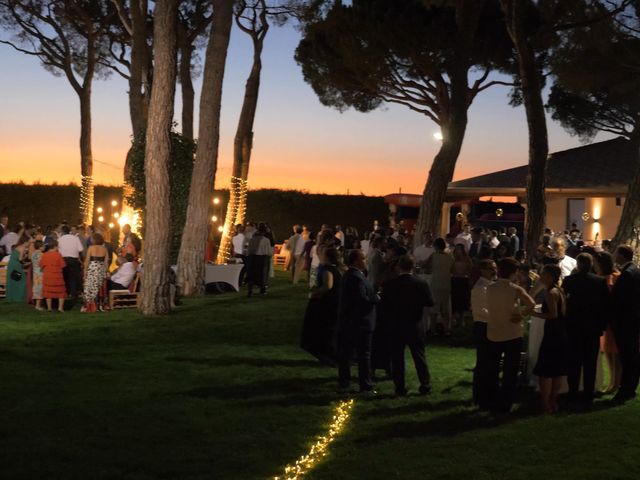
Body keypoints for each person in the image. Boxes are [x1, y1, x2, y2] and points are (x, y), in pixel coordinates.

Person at [486, 258, 536, 413]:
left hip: (494, 331)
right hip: (512, 333)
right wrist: (520, 314)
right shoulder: (515, 289)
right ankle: (506, 402)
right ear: (514, 273)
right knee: (510, 369)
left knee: (493, 368)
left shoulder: (490, 288)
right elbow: (532, 304)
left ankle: (492, 399)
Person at [382, 255, 434, 396]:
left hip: (396, 324)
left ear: (399, 267)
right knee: (419, 356)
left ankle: (400, 388)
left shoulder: (390, 284)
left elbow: (384, 305)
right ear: (412, 267)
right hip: (414, 323)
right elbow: (430, 301)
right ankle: (425, 384)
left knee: (397, 358)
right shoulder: (420, 283)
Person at [562, 253, 610, 405]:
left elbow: (563, 303)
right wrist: (601, 326)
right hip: (592, 328)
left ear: (578, 264)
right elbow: (605, 306)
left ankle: (573, 391)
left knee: (574, 362)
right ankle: (588, 392)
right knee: (590, 363)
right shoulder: (599, 281)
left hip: (574, 327)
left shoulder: (569, 281)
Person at [337, 249, 379, 393]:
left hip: (351, 321)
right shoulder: (355, 277)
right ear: (355, 261)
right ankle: (364, 383)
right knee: (363, 354)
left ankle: (345, 380)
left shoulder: (351, 275)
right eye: (363, 258)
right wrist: (375, 299)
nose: (365, 261)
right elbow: (361, 300)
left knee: (347, 353)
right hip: (360, 322)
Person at [532, 265, 569, 413]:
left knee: (545, 370)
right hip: (561, 333)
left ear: (550, 276)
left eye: (543, 275)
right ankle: (553, 400)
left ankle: (545, 402)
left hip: (552, 334)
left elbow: (552, 315)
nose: (540, 277)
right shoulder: (559, 290)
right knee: (557, 370)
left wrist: (533, 313)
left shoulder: (550, 293)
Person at [301, 247, 343, 364]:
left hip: (327, 304)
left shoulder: (327, 270)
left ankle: (327, 356)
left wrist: (314, 294)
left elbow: (328, 285)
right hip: (335, 303)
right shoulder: (338, 269)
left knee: (323, 330)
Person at [610, 245, 640, 403]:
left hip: (626, 322)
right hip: (633, 320)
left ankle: (626, 389)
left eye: (616, 252)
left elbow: (618, 300)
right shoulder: (635, 270)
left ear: (621, 255)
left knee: (628, 357)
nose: (614, 255)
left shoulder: (627, 274)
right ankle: (630, 387)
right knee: (632, 356)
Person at [471, 259, 496, 409]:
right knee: (482, 362)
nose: (494, 271)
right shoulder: (480, 288)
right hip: (482, 326)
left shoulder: (490, 285)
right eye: (490, 268)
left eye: (494, 267)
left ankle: (487, 392)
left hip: (490, 325)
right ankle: (479, 395)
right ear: (483, 270)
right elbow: (481, 311)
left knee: (489, 362)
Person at [595, 251, 621, 394]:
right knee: (608, 352)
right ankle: (612, 381)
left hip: (613, 319)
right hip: (605, 319)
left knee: (615, 352)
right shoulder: (600, 277)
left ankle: (615, 383)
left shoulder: (614, 277)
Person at [425, 238, 454, 335]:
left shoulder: (434, 256)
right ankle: (447, 330)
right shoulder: (450, 256)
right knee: (444, 308)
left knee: (434, 308)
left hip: (436, 283)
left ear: (436, 246)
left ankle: (433, 330)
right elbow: (452, 269)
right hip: (446, 283)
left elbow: (425, 265)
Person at [82, 233, 110, 312]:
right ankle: (101, 305)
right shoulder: (105, 249)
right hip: (101, 269)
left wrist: (85, 271)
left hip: (92, 269)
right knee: (100, 286)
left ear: (94, 240)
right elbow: (106, 262)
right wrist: (106, 271)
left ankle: (91, 305)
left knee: (91, 286)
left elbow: (87, 261)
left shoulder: (91, 248)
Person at [246, 223, 273, 297]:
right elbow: (269, 252)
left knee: (251, 275)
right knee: (262, 275)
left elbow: (249, 250)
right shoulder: (266, 240)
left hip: (252, 258)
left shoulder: (252, 239)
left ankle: (250, 291)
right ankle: (262, 290)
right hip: (262, 259)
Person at [40, 240, 67, 312]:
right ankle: (60, 308)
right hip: (57, 275)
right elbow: (63, 265)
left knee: (48, 291)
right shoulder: (58, 255)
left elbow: (41, 265)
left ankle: (49, 308)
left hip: (48, 275)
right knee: (61, 291)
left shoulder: (44, 255)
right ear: (55, 247)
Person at [58, 224, 84, 298]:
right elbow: (80, 249)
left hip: (63, 260)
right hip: (73, 260)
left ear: (62, 231)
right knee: (73, 278)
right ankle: (73, 294)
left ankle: (65, 293)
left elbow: (58, 250)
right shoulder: (75, 238)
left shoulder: (60, 239)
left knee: (64, 277)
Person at [451, 244, 472, 325]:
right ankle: (453, 317)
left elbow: (470, 269)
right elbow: (450, 269)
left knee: (462, 299)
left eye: (459, 249)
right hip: (455, 279)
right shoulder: (453, 258)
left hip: (463, 280)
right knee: (454, 299)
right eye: (456, 249)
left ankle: (461, 318)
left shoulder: (467, 259)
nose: (458, 251)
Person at [5, 235, 30, 302]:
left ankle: (12, 297)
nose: (29, 243)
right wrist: (26, 257)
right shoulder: (22, 247)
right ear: (25, 242)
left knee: (14, 280)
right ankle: (19, 297)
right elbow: (20, 259)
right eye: (29, 242)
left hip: (12, 264)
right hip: (16, 265)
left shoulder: (18, 246)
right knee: (22, 280)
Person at [31, 240, 45, 310]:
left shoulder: (33, 254)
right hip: (40, 273)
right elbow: (41, 264)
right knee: (40, 288)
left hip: (35, 272)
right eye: (43, 246)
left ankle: (37, 304)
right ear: (40, 247)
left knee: (36, 287)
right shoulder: (41, 254)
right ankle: (38, 305)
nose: (44, 247)